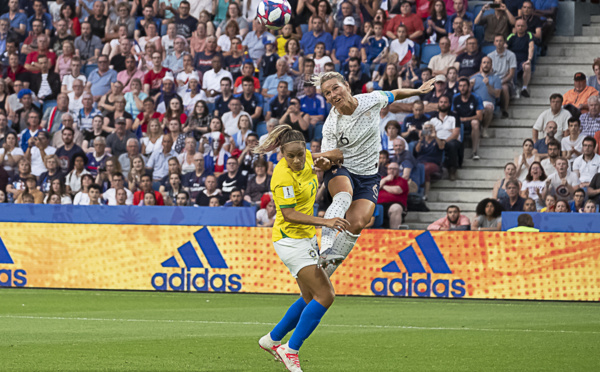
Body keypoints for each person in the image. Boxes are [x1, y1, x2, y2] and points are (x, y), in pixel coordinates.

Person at [312, 71, 434, 270]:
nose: (333, 94)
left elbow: (395, 93)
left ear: (347, 87)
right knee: (342, 197)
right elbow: (330, 157)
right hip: (341, 168)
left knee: (358, 221)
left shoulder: (371, 99)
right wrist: (322, 163)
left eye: (335, 88)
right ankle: (324, 246)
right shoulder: (330, 125)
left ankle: (325, 270)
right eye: (327, 93)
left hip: (368, 175)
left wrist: (418, 90)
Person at [255, 124, 348, 372]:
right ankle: (290, 349)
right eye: (291, 156)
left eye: (301, 153)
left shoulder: (306, 157)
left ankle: (272, 339)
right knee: (325, 295)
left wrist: (327, 162)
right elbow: (289, 214)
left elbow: (338, 153)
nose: (297, 160)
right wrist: (326, 221)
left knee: (309, 297)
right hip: (290, 240)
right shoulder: (282, 176)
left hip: (305, 238)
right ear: (281, 154)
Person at [453, 77, 483, 159]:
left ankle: (474, 152)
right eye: (460, 86)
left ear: (469, 86)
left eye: (464, 86)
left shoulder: (476, 98)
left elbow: (479, 116)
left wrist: (465, 119)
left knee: (475, 123)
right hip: (459, 122)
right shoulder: (455, 98)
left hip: (470, 121)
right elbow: (452, 113)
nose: (462, 88)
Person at [488, 34, 517, 118]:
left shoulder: (511, 55)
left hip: (506, 80)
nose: (499, 43)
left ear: (504, 42)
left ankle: (504, 110)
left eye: (501, 41)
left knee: (504, 87)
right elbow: (488, 71)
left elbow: (511, 74)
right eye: (497, 41)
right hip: (493, 80)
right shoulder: (490, 56)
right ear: (494, 43)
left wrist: (500, 82)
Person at [507, 18, 534, 97]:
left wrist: (529, 59)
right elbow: (505, 47)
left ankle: (524, 88)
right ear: (515, 27)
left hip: (523, 60)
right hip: (512, 61)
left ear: (526, 27)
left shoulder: (529, 35)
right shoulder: (511, 36)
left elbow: (531, 47)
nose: (520, 27)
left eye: (522, 26)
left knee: (527, 66)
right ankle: (513, 88)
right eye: (518, 26)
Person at [377, 162, 408, 228]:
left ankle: (394, 233)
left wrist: (383, 186)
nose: (392, 170)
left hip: (394, 204)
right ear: (387, 170)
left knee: (396, 208)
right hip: (378, 204)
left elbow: (397, 190)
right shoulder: (381, 179)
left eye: (394, 169)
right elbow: (375, 188)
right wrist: (385, 180)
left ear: (398, 171)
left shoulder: (402, 180)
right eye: (390, 169)